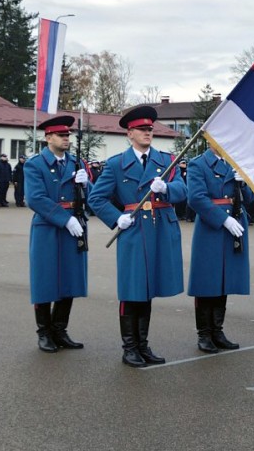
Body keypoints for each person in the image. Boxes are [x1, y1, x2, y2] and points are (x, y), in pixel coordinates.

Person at [88, 106, 186, 368]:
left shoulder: (166, 161)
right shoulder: (117, 164)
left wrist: (166, 188)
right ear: (129, 133)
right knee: (133, 291)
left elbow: (182, 190)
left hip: (158, 231)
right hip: (133, 232)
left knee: (148, 290)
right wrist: (115, 217)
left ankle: (143, 345)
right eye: (142, 129)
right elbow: (96, 198)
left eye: (150, 129)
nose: (147, 133)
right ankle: (129, 347)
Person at [24, 115, 89, 352]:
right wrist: (65, 219)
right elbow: (35, 198)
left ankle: (60, 330)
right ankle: (44, 332)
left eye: (67, 135)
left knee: (69, 279)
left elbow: (88, 197)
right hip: (49, 227)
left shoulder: (75, 163)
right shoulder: (35, 164)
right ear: (48, 137)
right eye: (61, 135)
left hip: (74, 225)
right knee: (45, 279)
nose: (66, 139)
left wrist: (85, 184)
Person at [186, 144, 254, 353]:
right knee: (207, 281)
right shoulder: (198, 164)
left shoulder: (235, 164)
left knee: (225, 279)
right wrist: (223, 219)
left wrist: (243, 185)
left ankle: (217, 330)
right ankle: (204, 333)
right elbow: (196, 198)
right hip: (212, 226)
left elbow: (250, 199)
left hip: (234, 222)